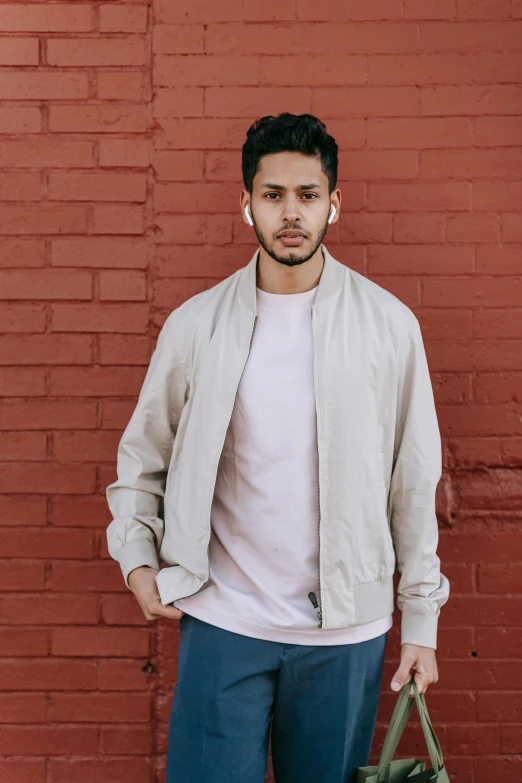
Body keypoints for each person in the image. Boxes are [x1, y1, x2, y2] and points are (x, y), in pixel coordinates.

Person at [105, 113, 450, 783]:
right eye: (272, 195)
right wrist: (136, 559)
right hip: (222, 620)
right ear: (247, 204)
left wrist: (421, 626)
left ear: (334, 203)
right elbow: (144, 457)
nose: (291, 212)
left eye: (308, 194)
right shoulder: (196, 326)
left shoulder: (389, 328)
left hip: (344, 638)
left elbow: (413, 486)